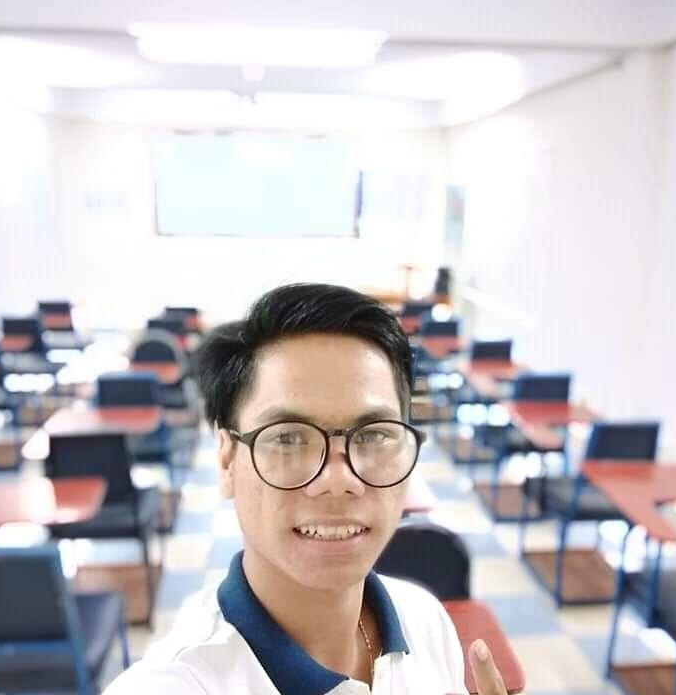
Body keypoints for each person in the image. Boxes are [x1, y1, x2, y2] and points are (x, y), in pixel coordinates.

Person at [104, 283, 508, 695]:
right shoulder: (174, 684)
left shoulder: (424, 620)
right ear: (227, 461)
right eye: (288, 438)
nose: (339, 480)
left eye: (373, 435)